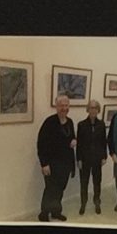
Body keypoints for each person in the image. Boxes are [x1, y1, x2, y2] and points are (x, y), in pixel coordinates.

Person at [35, 93, 75, 222]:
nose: (64, 108)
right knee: (50, 190)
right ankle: (44, 214)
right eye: (61, 105)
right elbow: (41, 144)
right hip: (52, 164)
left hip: (65, 164)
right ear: (56, 107)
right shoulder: (50, 122)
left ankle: (56, 211)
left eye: (66, 105)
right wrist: (44, 164)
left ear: (69, 106)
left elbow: (71, 137)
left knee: (60, 189)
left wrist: (74, 140)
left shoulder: (70, 122)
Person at [75, 100, 111, 216]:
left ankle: (97, 201)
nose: (93, 110)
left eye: (95, 108)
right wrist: (78, 159)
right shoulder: (81, 125)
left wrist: (104, 156)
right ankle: (83, 203)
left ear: (98, 110)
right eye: (91, 108)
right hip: (84, 159)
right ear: (87, 109)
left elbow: (103, 142)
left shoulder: (101, 125)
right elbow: (79, 144)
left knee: (97, 182)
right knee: (83, 183)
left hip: (97, 159)